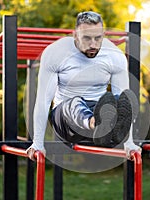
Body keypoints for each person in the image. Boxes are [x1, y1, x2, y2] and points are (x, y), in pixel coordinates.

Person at [27, 11, 140, 161]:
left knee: (121, 98)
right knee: (75, 102)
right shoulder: (56, 52)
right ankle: (96, 125)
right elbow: (43, 101)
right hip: (65, 119)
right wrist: (37, 143)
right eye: (86, 38)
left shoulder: (114, 56)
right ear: (75, 35)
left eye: (98, 38)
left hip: (97, 109)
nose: (93, 44)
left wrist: (129, 143)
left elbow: (123, 103)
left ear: (103, 35)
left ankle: (105, 129)